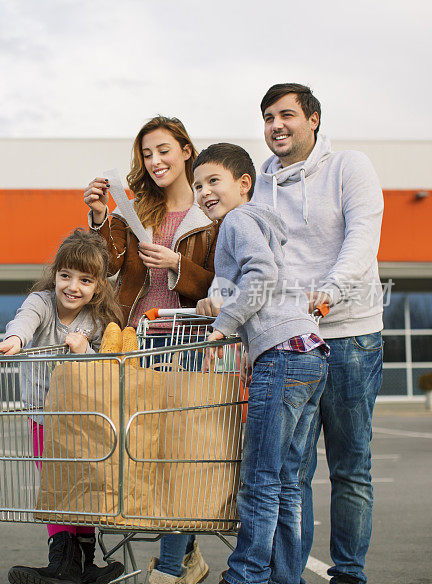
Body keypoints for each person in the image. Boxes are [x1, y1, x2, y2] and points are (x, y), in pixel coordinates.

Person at [253, 83, 384, 584]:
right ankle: (290, 572)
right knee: (294, 472)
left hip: (350, 335)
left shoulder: (350, 167)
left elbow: (361, 238)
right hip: (292, 343)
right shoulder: (258, 185)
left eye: (287, 114)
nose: (276, 125)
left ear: (313, 119)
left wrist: (329, 290)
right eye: (267, 117)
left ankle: (349, 572)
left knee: (351, 466)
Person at [84, 116, 218, 584]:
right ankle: (188, 555)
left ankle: (168, 567)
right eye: (146, 154)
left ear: (186, 150)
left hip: (187, 342)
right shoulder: (140, 210)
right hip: (137, 340)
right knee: (144, 453)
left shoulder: (212, 212)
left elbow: (225, 283)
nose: (155, 161)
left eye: (163, 150)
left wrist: (179, 264)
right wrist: (102, 217)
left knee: (177, 455)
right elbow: (106, 264)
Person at [192, 142, 329, 584]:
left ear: (244, 184)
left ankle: (246, 576)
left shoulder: (237, 219)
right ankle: (285, 577)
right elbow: (257, 277)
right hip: (309, 352)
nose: (204, 192)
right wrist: (216, 302)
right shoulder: (258, 224)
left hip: (283, 356)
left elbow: (262, 275)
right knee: (288, 482)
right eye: (197, 185)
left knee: (261, 480)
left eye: (214, 181)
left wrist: (224, 325)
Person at [0, 228, 126, 584]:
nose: (73, 286)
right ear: (54, 276)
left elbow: (105, 366)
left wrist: (86, 352)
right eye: (66, 276)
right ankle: (62, 562)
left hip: (83, 421)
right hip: (44, 417)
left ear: (98, 286)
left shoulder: (97, 321)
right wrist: (15, 339)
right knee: (57, 484)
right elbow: (25, 318)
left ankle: (82, 563)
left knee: (81, 486)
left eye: (85, 280)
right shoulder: (42, 303)